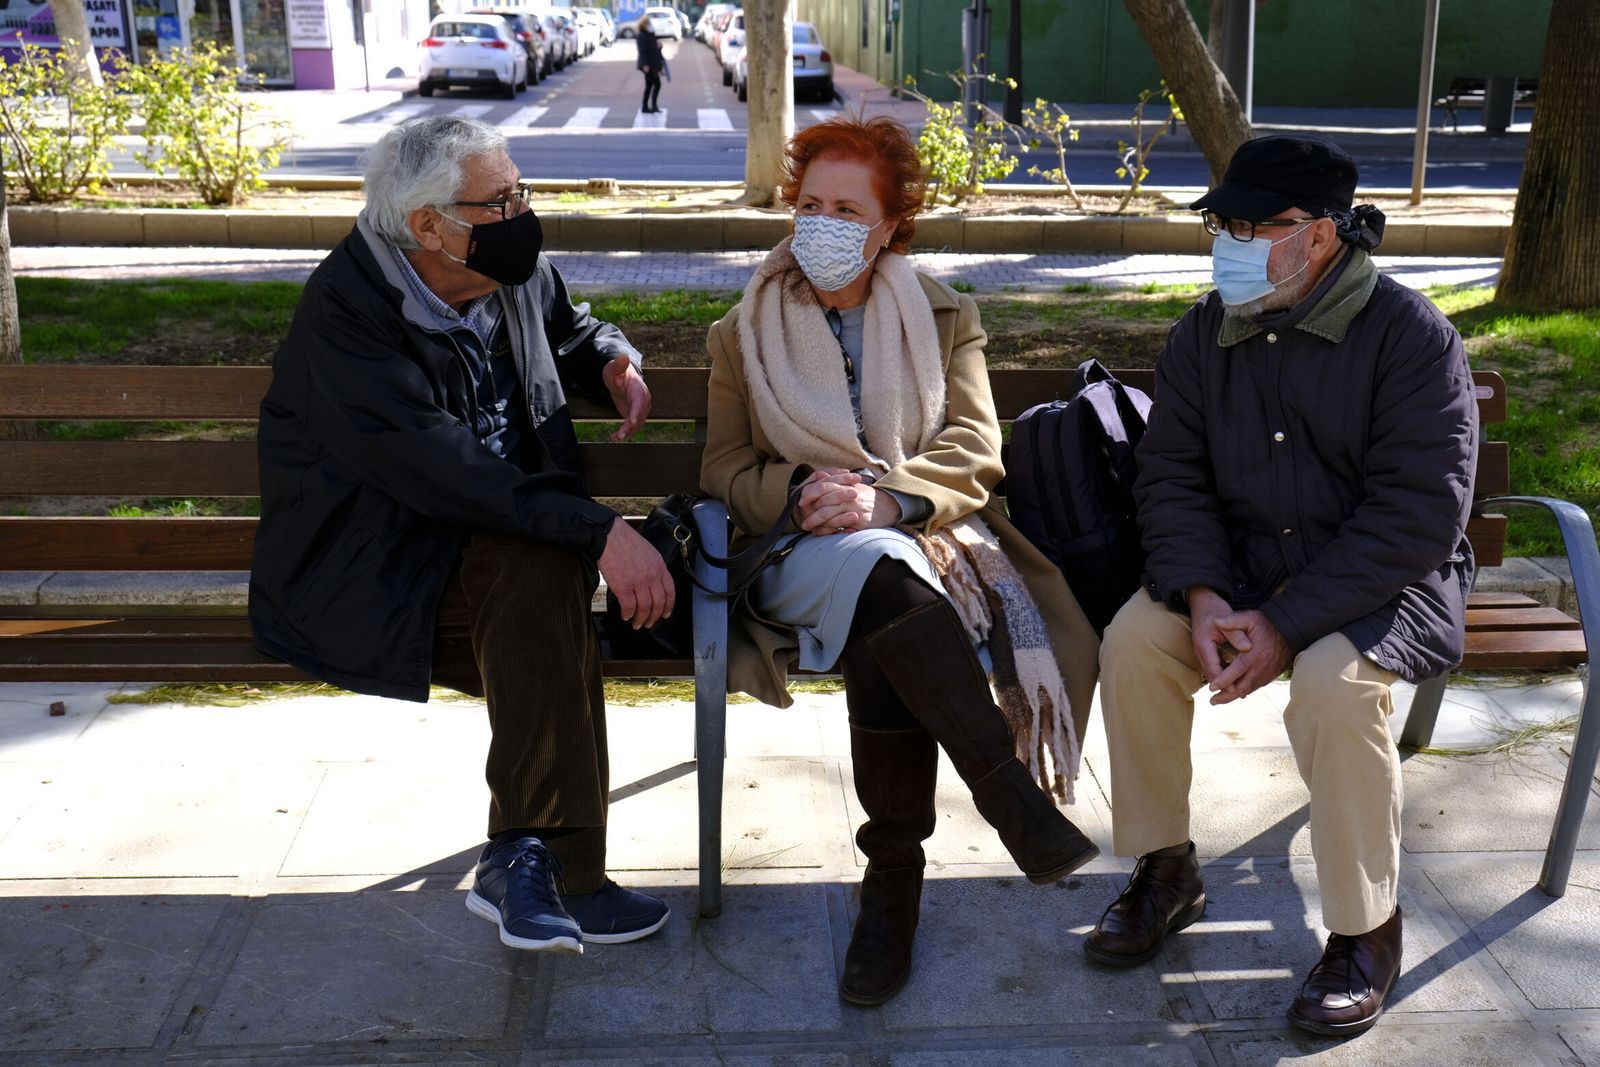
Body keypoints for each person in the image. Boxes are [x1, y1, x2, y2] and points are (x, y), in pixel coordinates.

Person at [700, 116, 1102, 1006]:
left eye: (848, 208)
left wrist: (889, 498)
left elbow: (974, 444)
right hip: (796, 551)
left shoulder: (946, 312)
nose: (821, 223)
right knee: (887, 578)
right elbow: (723, 469)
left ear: (890, 226)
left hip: (920, 539)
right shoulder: (742, 329)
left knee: (890, 591)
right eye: (809, 204)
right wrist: (802, 486)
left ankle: (893, 889)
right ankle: (1008, 801)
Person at [249, 116, 674, 957]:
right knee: (546, 581)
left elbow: (569, 324)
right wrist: (600, 531)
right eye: (501, 199)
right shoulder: (348, 312)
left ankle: (530, 861)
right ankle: (564, 872)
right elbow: (443, 469)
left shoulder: (502, 267)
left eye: (521, 190)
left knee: (541, 574)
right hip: (382, 576)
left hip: (500, 558)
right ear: (428, 226)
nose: (523, 212)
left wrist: (611, 361)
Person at [1086, 134, 1477, 1036]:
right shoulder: (1200, 334)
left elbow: (1418, 516)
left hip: (1384, 581)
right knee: (1134, 646)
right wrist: (1200, 595)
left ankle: (1364, 926)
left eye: (1260, 224)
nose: (1233, 238)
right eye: (1226, 220)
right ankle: (1166, 865)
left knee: (1334, 687)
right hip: (1241, 573)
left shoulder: (1411, 337)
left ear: (1324, 236)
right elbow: (1171, 478)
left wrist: (1288, 623)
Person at [635, 19, 663, 114]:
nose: (650, 25)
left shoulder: (651, 34)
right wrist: (645, 65)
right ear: (644, 25)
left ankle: (651, 106)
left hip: (654, 64)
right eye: (648, 24)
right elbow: (642, 52)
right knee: (652, 85)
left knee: (654, 85)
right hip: (648, 65)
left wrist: (659, 46)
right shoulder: (642, 36)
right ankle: (646, 106)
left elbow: (653, 48)